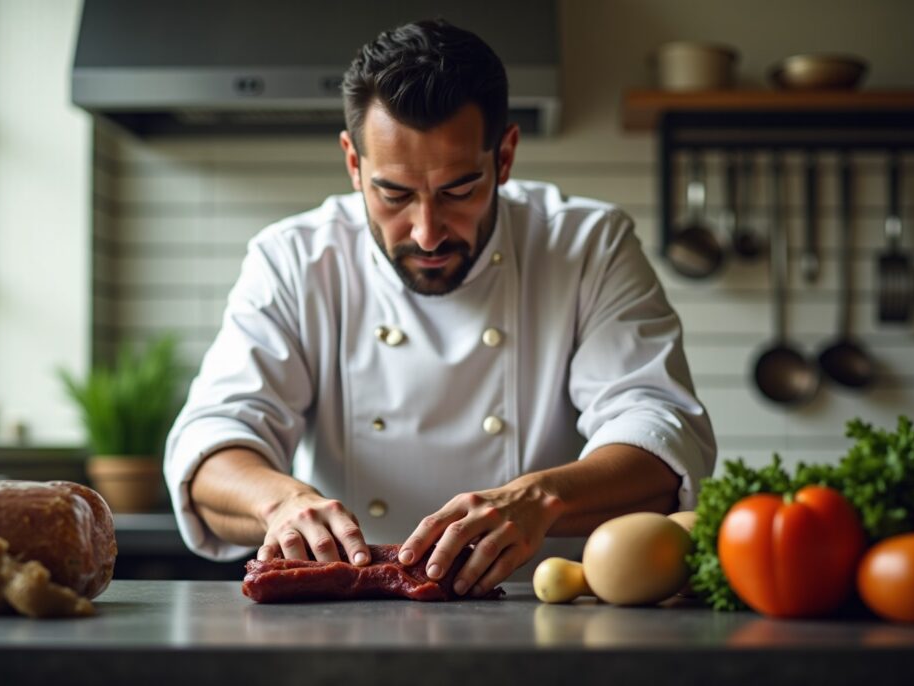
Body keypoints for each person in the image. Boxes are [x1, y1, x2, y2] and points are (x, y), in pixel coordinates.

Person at [164, 18, 715, 597]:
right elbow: (213, 440)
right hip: (342, 623)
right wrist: (280, 501)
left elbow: (658, 431)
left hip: (542, 615)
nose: (426, 233)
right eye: (394, 194)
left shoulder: (587, 246)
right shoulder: (293, 259)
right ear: (354, 163)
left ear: (504, 157)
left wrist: (538, 500)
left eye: (458, 191)